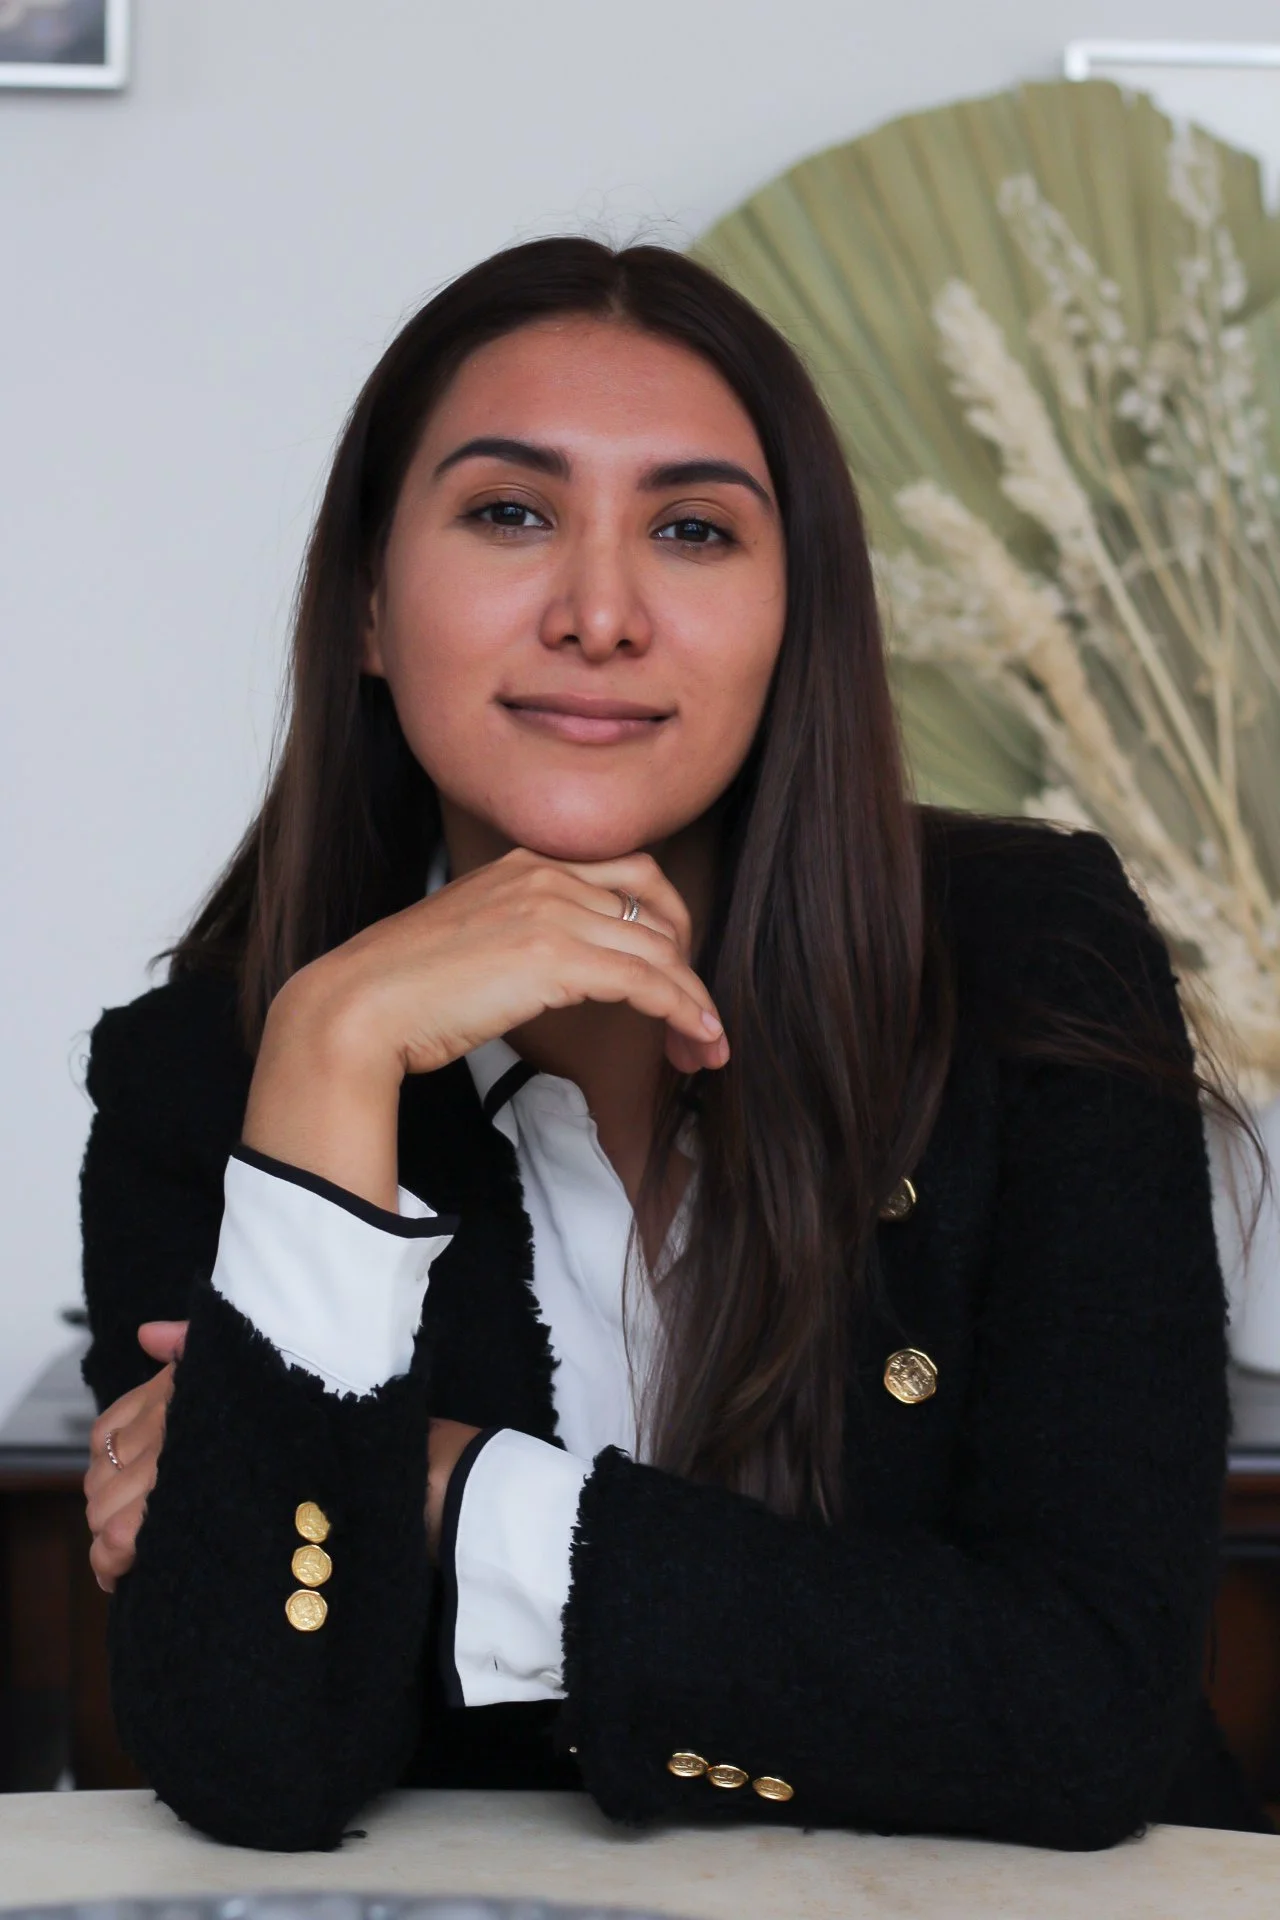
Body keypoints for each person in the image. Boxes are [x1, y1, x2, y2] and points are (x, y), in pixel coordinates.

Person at [78, 237, 1271, 1854]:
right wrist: (333, 1048)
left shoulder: (1024, 957)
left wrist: (448, 1487)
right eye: (511, 513)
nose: (599, 612)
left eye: (693, 530)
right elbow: (257, 1763)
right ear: (368, 602)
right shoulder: (216, 1074)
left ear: (796, 623)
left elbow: (1088, 1709)